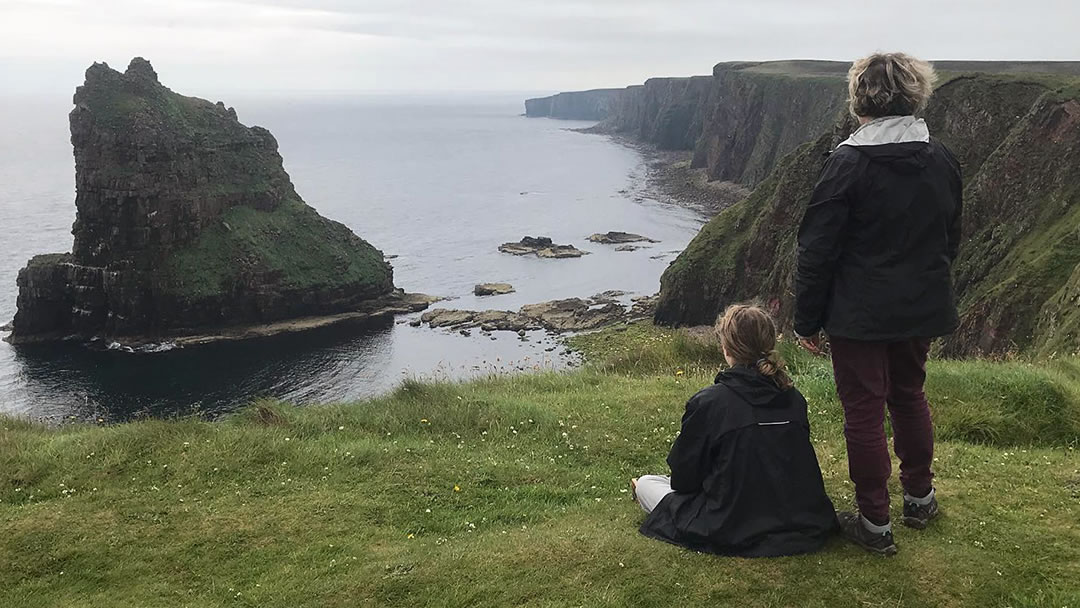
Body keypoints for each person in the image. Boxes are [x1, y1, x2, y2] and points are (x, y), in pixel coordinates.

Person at [794, 52, 962, 556]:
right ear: (916, 95)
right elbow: (949, 237)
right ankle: (919, 499)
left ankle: (875, 524)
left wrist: (807, 319)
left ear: (859, 98)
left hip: (859, 314)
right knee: (910, 395)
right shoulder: (941, 158)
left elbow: (816, 251)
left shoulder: (848, 164)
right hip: (918, 306)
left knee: (864, 413)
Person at [633, 304, 837, 557]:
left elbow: (683, 480)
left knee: (646, 484)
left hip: (732, 524)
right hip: (797, 515)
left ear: (726, 348)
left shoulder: (709, 402)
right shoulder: (793, 397)